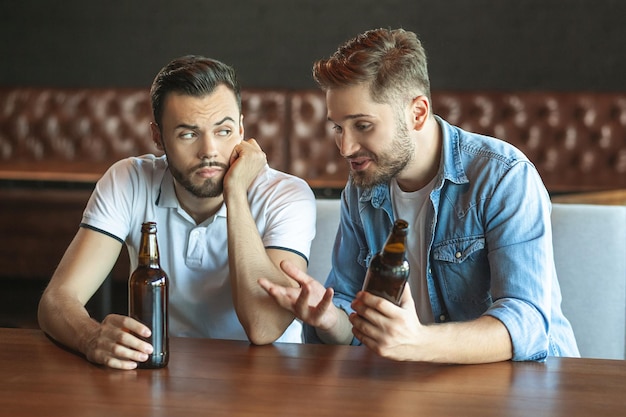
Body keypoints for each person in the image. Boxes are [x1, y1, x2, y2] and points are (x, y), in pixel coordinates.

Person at [260, 28, 580, 363]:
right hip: (417, 384)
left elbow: (528, 322)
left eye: (363, 126)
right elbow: (350, 314)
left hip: (530, 386)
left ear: (417, 113)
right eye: (338, 127)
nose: (346, 148)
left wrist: (418, 343)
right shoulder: (363, 188)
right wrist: (328, 320)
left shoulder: (503, 176)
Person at [38, 55, 316, 369]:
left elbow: (264, 326)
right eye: (188, 134)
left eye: (223, 131)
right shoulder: (129, 180)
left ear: (241, 129)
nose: (209, 151)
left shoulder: (287, 195)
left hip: (270, 378)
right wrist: (90, 337)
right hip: (161, 372)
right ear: (158, 136)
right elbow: (57, 300)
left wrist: (236, 193)